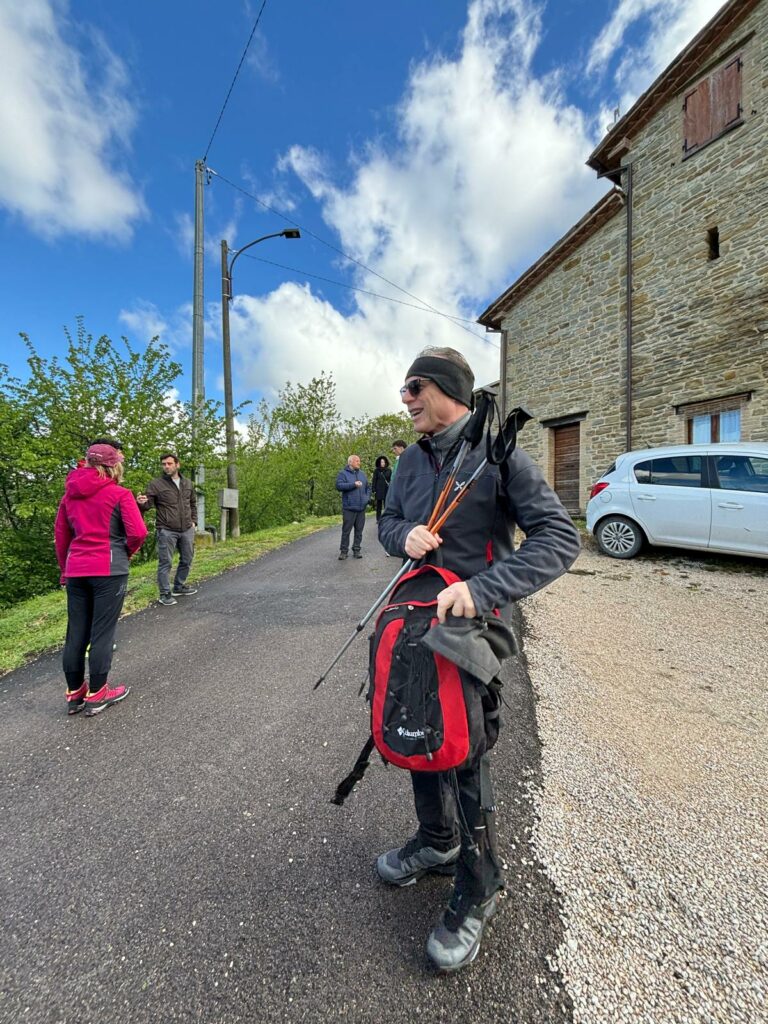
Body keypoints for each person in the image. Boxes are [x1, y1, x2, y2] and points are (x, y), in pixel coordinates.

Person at [378, 346, 580, 972]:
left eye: (414, 387)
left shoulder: (501, 456)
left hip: (475, 628)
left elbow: (559, 538)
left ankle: (481, 882)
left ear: (445, 390)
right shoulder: (411, 460)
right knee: (419, 733)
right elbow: (387, 521)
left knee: (464, 751)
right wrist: (401, 535)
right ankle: (438, 842)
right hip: (414, 617)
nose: (405, 398)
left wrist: (481, 589)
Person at [55, 443, 147, 716]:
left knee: (76, 632)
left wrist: (65, 569)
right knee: (102, 632)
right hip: (109, 569)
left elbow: (62, 537)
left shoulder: (69, 497)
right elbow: (138, 532)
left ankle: (75, 693)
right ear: (113, 465)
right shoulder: (119, 494)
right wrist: (125, 553)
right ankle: (99, 692)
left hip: (76, 569)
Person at [137, 453, 198, 606]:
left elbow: (193, 504)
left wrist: (194, 522)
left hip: (186, 529)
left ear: (177, 465)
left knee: (187, 558)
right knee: (166, 562)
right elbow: (147, 505)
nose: (166, 466)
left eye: (169, 463)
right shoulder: (156, 484)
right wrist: (140, 502)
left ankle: (179, 586)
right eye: (164, 464)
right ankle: (165, 593)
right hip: (166, 530)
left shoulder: (188, 483)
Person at [335, 455, 370, 560]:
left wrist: (366, 499)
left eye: (359, 461)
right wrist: (353, 485)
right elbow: (339, 486)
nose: (359, 463)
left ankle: (357, 550)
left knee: (359, 531)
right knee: (346, 531)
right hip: (349, 508)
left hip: (361, 508)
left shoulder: (362, 474)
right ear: (350, 462)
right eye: (357, 461)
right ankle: (344, 551)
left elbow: (368, 487)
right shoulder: (343, 473)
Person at [370, 455, 392, 522]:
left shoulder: (389, 470)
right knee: (379, 505)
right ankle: (378, 519)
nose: (382, 463)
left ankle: (386, 518)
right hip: (379, 489)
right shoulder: (376, 471)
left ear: (386, 463)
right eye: (381, 462)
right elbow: (374, 480)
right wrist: (373, 489)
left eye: (384, 462)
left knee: (386, 504)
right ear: (379, 463)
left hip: (386, 489)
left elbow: (391, 480)